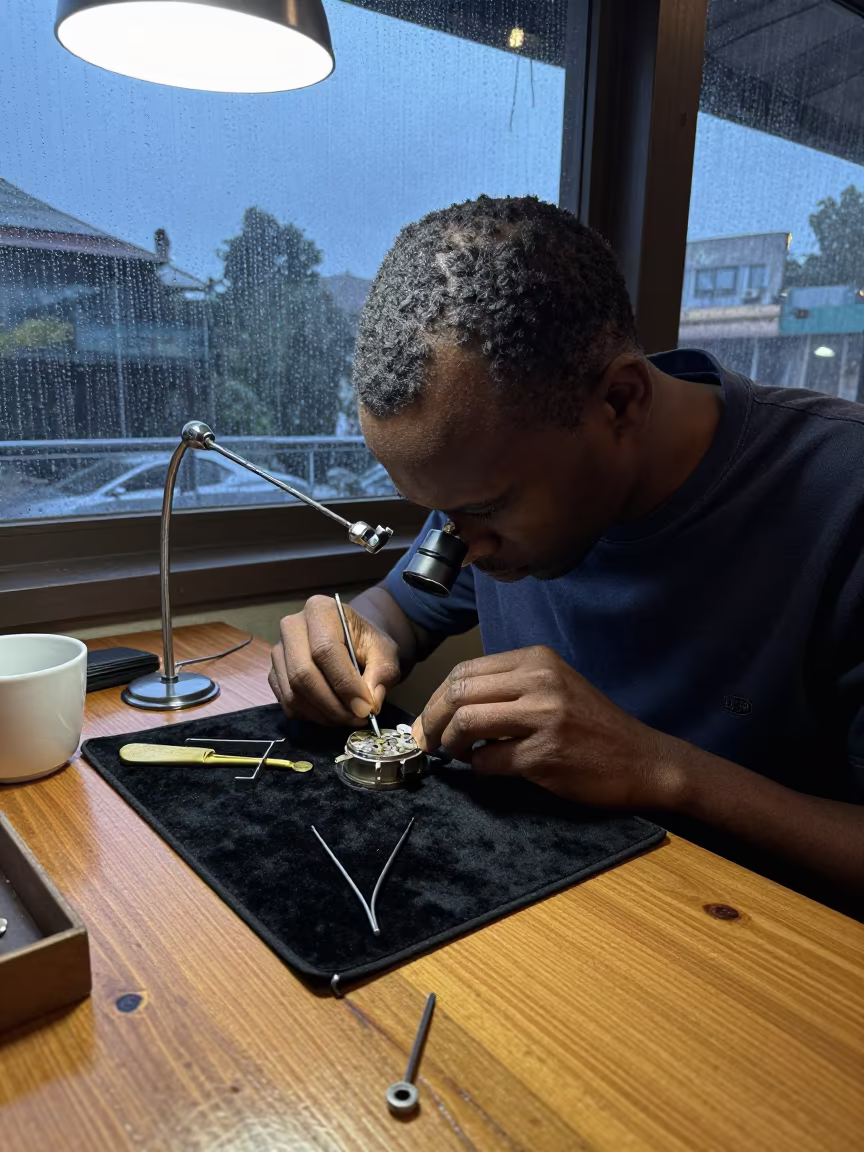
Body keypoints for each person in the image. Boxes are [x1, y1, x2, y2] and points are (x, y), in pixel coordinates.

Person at [270, 194, 864, 911]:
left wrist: (658, 768)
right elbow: (395, 610)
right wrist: (345, 637)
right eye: (438, 511)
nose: (459, 542)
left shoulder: (843, 502)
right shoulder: (483, 489)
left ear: (619, 402)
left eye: (485, 509)